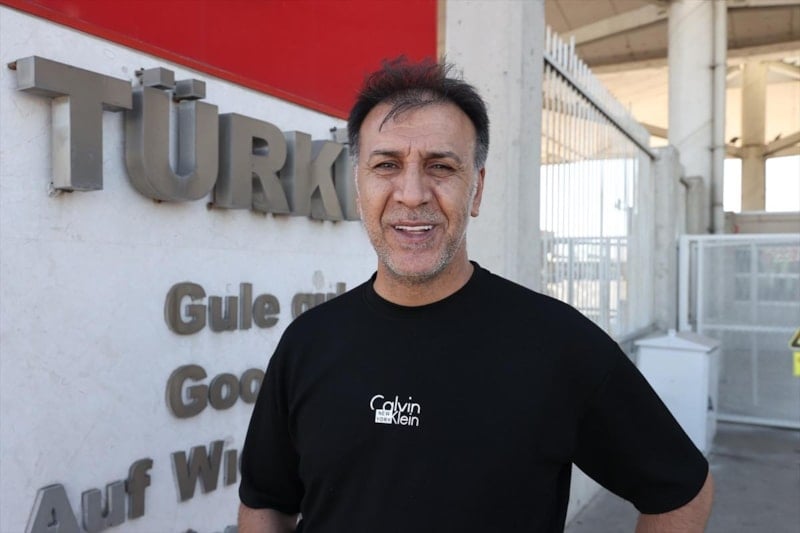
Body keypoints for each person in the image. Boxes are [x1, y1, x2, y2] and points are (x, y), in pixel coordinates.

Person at [238, 57, 713, 533]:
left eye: (440, 167)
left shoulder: (559, 344)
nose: (412, 194)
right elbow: (265, 504)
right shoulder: (308, 342)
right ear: (358, 187)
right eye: (386, 165)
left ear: (477, 189)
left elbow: (681, 494)